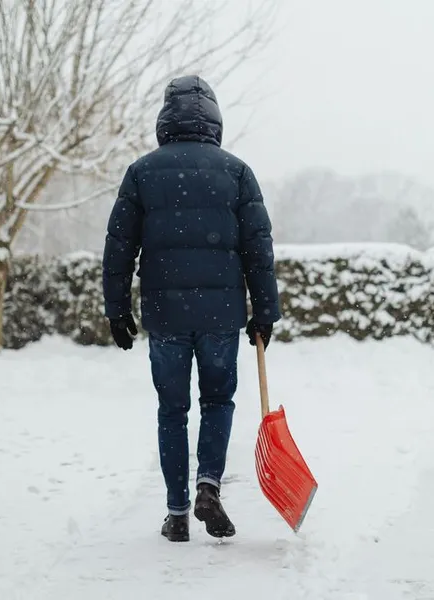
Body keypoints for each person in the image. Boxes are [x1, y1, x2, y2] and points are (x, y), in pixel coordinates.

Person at [102, 75, 281, 542]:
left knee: (172, 410)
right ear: (215, 119)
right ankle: (208, 486)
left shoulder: (142, 172)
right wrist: (265, 311)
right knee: (218, 400)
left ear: (165, 117)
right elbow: (258, 249)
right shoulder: (237, 172)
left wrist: (116, 310)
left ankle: (178, 513)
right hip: (220, 315)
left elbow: (119, 248)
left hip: (166, 314)